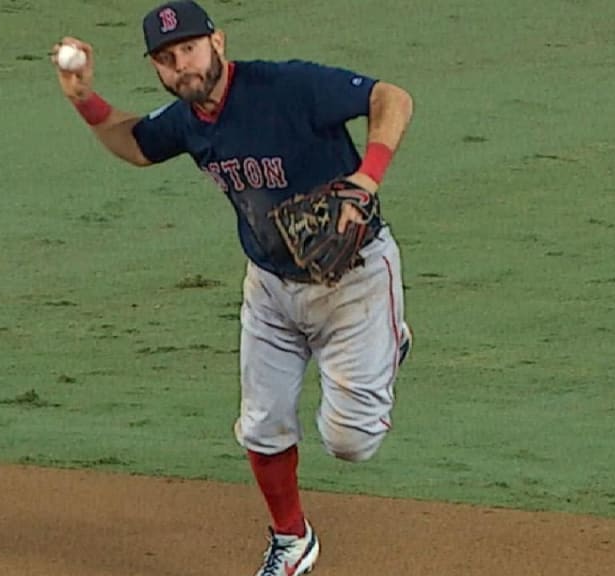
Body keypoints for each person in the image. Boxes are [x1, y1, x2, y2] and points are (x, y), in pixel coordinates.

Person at [51, 1, 414, 574]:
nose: (181, 66)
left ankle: (389, 340)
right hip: (269, 288)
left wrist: (366, 177)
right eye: (166, 59)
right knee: (261, 425)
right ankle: (293, 541)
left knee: (351, 443)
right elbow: (137, 143)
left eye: (189, 49)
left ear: (218, 42)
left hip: (354, 282)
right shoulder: (188, 119)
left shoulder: (285, 86)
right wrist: (81, 99)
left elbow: (390, 98)